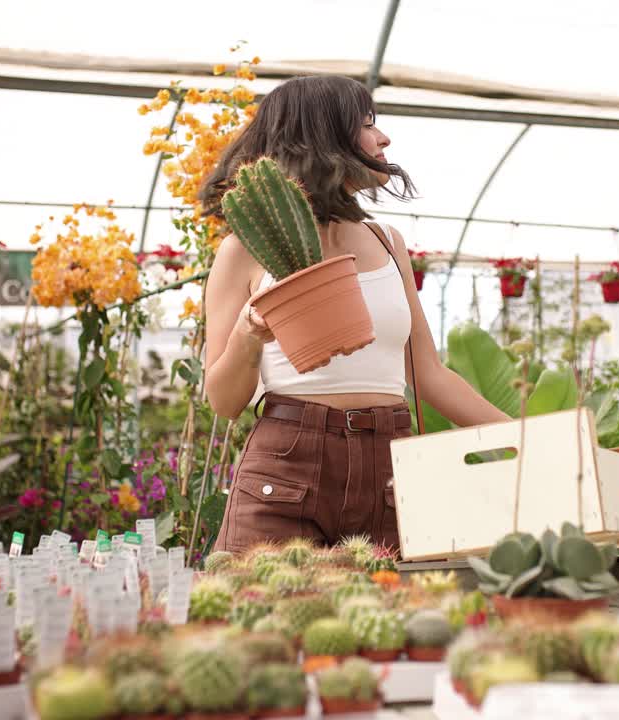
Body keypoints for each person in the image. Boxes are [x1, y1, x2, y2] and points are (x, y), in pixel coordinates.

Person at [200, 75, 509, 555]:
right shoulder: (242, 250)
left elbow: (427, 374)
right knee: (263, 622)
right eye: (367, 125)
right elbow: (221, 400)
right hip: (286, 467)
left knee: (388, 627)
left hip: (387, 470)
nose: (383, 138)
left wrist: (528, 439)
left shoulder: (389, 243)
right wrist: (249, 332)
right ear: (322, 137)